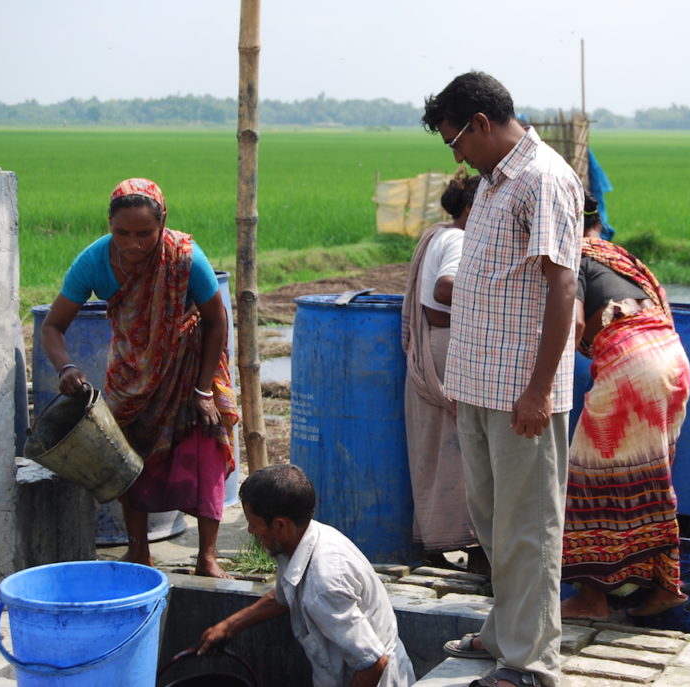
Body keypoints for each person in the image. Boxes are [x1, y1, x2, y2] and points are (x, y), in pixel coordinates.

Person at [423, 71, 582, 687]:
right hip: (481, 384)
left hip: (523, 392)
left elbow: (562, 284)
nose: (456, 155)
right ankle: (505, 632)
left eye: (456, 140)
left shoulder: (542, 179)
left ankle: (532, 662)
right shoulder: (493, 183)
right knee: (493, 524)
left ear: (482, 124)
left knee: (529, 527)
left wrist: (539, 389)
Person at [41, 178, 238, 578]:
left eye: (145, 233)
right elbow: (52, 327)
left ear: (163, 222)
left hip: (189, 367)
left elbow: (217, 322)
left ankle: (208, 557)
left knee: (204, 452)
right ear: (109, 225)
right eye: (123, 233)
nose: (133, 243)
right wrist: (66, 367)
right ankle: (138, 551)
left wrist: (203, 390)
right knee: (128, 458)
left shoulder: (185, 257)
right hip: (132, 371)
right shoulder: (94, 262)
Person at [559, 191, 690, 621]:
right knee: (647, 478)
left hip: (632, 365)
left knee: (586, 479)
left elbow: (575, 320)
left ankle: (593, 600)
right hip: (672, 360)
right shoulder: (620, 257)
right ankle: (663, 586)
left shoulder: (574, 255)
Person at [198, 464, 416, 687]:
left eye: (254, 524)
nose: (251, 532)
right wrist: (229, 626)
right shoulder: (299, 542)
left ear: (281, 525)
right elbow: (283, 596)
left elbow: (373, 663)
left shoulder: (323, 584)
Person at [401, 172, 483, 564]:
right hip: (451, 346)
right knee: (465, 451)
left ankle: (433, 542)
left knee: (436, 449)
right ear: (471, 209)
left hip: (435, 345)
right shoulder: (463, 239)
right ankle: (472, 545)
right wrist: (494, 295)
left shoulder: (437, 234)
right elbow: (444, 287)